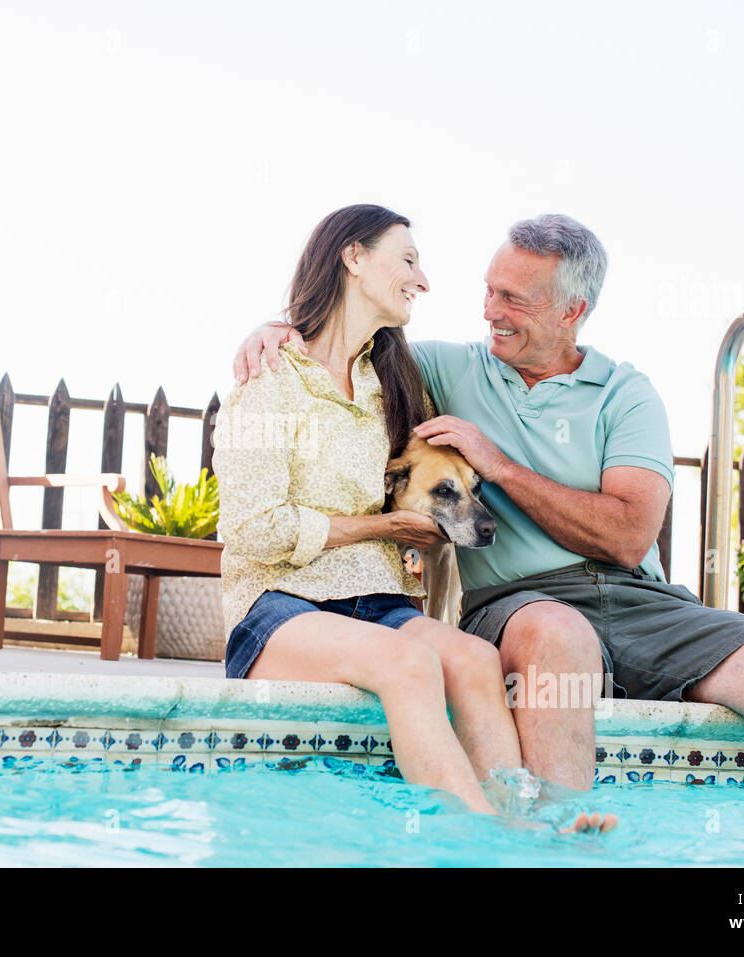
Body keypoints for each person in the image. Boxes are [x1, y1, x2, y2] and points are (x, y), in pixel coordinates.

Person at [234, 213, 744, 803]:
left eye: (515, 300)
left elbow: (626, 536)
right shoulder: (438, 368)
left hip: (643, 602)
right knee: (558, 634)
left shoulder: (627, 395)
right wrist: (279, 328)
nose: (492, 312)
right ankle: (558, 848)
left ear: (573, 310)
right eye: (489, 291)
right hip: (523, 606)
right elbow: (343, 342)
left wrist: (500, 465)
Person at [214, 203, 616, 830]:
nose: (423, 280)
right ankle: (490, 837)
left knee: (475, 661)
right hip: (278, 603)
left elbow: (433, 490)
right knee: (409, 663)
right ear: (352, 257)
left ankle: (527, 823)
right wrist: (382, 529)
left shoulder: (397, 385)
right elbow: (250, 531)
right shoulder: (270, 378)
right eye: (407, 259)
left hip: (379, 601)